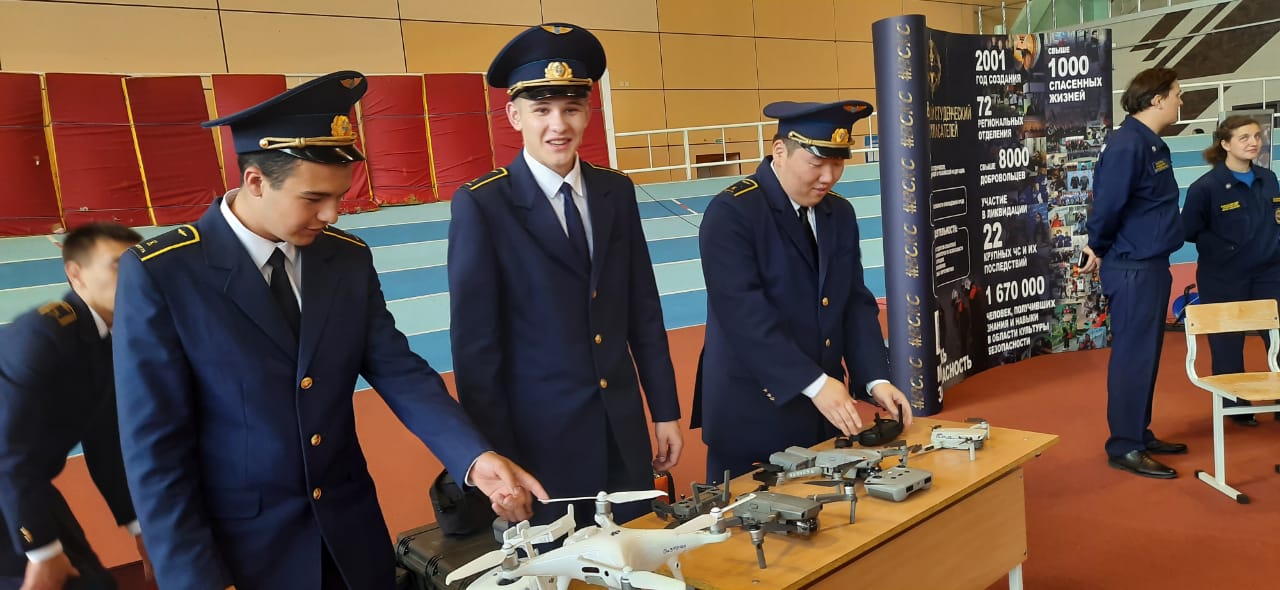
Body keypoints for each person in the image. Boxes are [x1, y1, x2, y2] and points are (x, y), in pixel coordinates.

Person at [112, 71, 545, 590]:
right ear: (255, 181)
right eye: (314, 197)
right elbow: (154, 452)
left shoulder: (345, 259)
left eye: (340, 196)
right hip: (243, 555)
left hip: (349, 537)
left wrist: (474, 458)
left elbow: (399, 371)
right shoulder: (164, 274)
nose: (333, 214)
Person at [448, 24, 682, 525]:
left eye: (572, 108)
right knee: (561, 559)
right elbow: (476, 350)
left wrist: (664, 410)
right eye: (542, 110)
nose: (559, 125)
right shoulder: (483, 205)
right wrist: (497, 458)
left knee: (637, 549)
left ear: (588, 113)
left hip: (622, 430)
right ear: (515, 116)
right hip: (541, 444)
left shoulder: (615, 191)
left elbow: (642, 309)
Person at [693, 101, 913, 480]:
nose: (828, 177)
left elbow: (853, 303)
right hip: (754, 416)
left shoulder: (839, 213)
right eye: (816, 163)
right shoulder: (732, 213)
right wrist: (814, 383)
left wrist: (876, 378)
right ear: (780, 151)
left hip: (823, 416)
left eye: (838, 163)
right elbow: (744, 317)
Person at [0, 223, 149, 590]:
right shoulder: (43, 337)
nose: (137, 277)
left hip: (22, 483)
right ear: (76, 274)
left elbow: (106, 442)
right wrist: (43, 553)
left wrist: (139, 527)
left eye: (141, 264)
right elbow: (8, 449)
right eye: (118, 265)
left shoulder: (107, 340)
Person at [1079, 67, 1186, 479]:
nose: (1180, 101)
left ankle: (1138, 433)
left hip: (1151, 264)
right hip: (1133, 268)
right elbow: (1108, 204)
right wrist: (1096, 244)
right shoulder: (1128, 144)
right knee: (1132, 358)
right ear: (1156, 99)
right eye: (1176, 94)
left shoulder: (1149, 143)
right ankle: (1124, 446)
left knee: (1147, 357)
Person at [1182, 115, 1280, 427]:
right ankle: (1237, 408)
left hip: (1269, 273)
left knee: (1278, 337)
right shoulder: (1205, 188)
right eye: (1244, 137)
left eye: (1257, 136)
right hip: (1224, 277)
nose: (1254, 142)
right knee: (1227, 344)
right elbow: (1189, 230)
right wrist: (1225, 249)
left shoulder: (1269, 178)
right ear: (1225, 144)